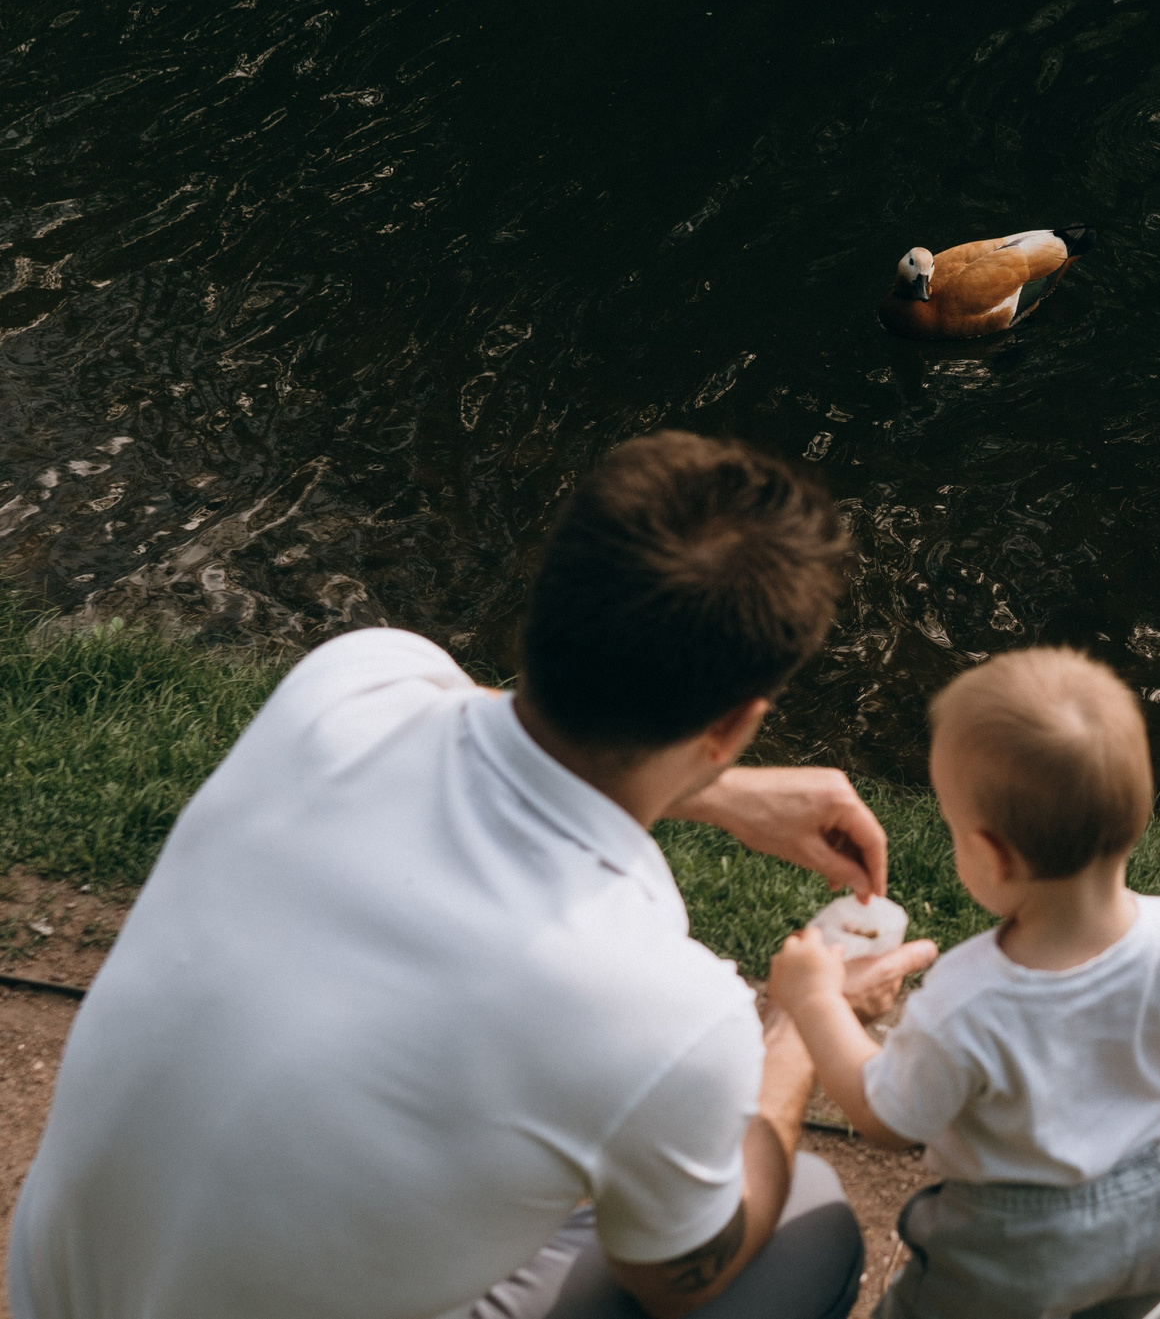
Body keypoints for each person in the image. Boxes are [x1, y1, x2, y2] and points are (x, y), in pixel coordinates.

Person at [10, 430, 939, 1319]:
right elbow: (682, 1283)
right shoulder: (661, 1006)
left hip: (61, 1295)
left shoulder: (352, 682)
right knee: (804, 1226)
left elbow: (489, 718)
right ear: (736, 721)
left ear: (546, 598)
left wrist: (718, 790)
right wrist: (791, 1034)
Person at [767, 646, 1160, 1319]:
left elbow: (886, 1117)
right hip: (1156, 1201)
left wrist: (813, 1002)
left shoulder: (968, 996)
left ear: (989, 853)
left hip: (1011, 1246)